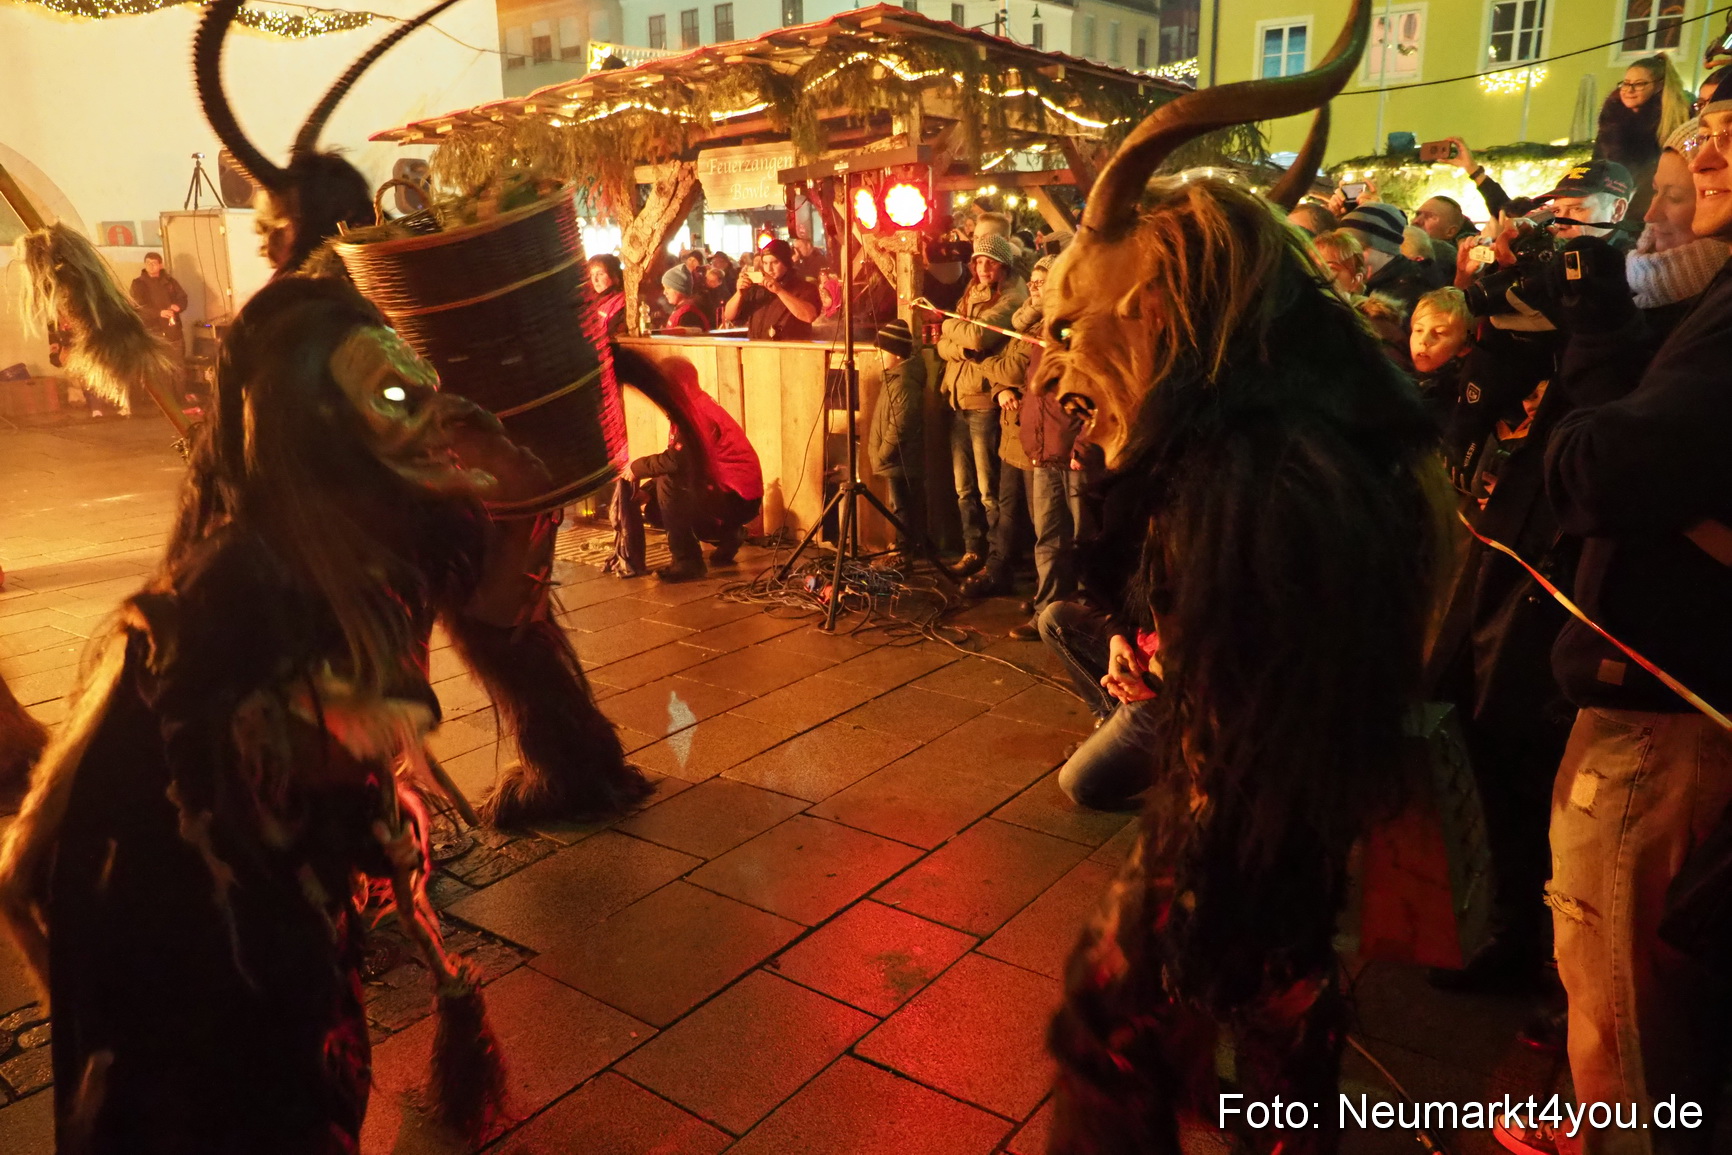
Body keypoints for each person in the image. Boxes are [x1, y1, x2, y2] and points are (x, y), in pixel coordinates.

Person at [0, 276, 536, 1152]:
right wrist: (359, 792)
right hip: (202, 974)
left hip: (284, 940)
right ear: (312, 425)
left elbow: (491, 604)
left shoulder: (364, 542)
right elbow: (284, 772)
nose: (428, 416)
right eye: (392, 395)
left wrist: (521, 509)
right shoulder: (230, 598)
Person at [1490, 101, 1732, 1155]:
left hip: (1662, 712)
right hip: (1659, 692)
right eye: (1701, 128)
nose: (1706, 147)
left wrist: (1591, 348)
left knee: (1627, 1009)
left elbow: (1601, 469)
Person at [967, 254, 1082, 641]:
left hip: (1074, 451)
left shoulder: (1078, 334)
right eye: (1033, 285)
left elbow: (1093, 394)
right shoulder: (1039, 333)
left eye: (1042, 285)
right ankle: (1047, 610)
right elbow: (1024, 382)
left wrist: (1084, 441)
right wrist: (1002, 388)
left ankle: (1088, 614)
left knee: (1083, 537)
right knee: (1047, 536)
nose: (1034, 292)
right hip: (1043, 449)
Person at [936, 233, 1027, 573]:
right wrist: (958, 343)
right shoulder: (971, 293)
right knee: (964, 487)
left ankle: (998, 556)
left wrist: (949, 325)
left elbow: (979, 336)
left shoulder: (1012, 297)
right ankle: (972, 549)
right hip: (957, 396)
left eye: (990, 261)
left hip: (983, 399)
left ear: (1003, 265)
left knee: (989, 488)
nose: (983, 267)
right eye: (978, 261)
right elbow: (948, 346)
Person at [623, 363, 763, 581]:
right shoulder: (695, 406)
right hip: (731, 495)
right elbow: (681, 461)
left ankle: (687, 562)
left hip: (736, 497)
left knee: (668, 486)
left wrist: (636, 468)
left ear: (680, 386)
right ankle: (728, 535)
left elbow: (676, 463)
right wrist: (648, 491)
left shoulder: (697, 415)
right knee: (655, 507)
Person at [867, 319, 928, 564]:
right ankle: (909, 545)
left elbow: (900, 425)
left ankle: (905, 550)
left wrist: (883, 453)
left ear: (896, 354)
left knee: (902, 505)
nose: (877, 358)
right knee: (902, 502)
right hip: (896, 458)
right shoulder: (894, 378)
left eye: (881, 352)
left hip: (901, 458)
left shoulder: (903, 383)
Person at [1594, 53, 1691, 198]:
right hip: (1611, 198)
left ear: (1659, 85)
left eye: (1639, 84)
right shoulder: (1611, 119)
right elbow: (1597, 163)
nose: (1629, 90)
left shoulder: (1674, 121)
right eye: (1626, 83)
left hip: (1652, 199)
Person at [1339, 202, 1430, 313]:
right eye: (1342, 248)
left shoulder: (1411, 292)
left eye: (1359, 249)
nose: (1345, 258)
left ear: (1387, 250)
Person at [722, 239, 820, 341]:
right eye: (765, 263)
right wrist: (739, 294)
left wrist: (779, 291)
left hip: (790, 351)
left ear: (786, 263)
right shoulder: (757, 288)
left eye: (775, 262)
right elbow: (729, 315)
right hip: (757, 350)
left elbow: (809, 316)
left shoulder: (805, 287)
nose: (769, 268)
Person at [1409, 286, 1472, 427]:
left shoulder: (1459, 398)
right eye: (1418, 329)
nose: (1423, 340)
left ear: (1464, 347)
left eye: (1439, 333)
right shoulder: (1403, 378)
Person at [129, 252, 188, 354]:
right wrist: (159, 313)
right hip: (153, 332)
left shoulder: (170, 282)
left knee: (178, 362)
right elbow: (138, 307)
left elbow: (183, 298)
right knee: (157, 366)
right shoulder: (138, 284)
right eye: (148, 263)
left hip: (173, 330)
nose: (151, 266)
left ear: (161, 265)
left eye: (154, 263)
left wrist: (178, 306)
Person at [659, 265, 711, 332]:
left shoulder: (688, 316)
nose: (664, 292)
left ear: (680, 290)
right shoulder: (683, 311)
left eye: (668, 288)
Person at [587, 254, 628, 337]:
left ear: (614, 276)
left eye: (600, 274)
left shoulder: (621, 303)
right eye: (592, 274)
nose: (595, 280)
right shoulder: (590, 301)